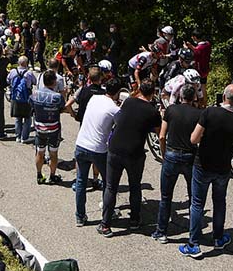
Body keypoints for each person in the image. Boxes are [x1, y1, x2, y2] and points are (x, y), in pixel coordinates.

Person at [182, 84, 233, 257]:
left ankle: (193, 244)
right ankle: (218, 238)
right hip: (223, 166)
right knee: (220, 202)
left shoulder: (209, 113)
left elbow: (194, 139)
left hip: (203, 163)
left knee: (197, 203)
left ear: (224, 96)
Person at [98, 81, 161, 237]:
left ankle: (105, 224)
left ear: (139, 90)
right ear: (153, 93)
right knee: (135, 186)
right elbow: (159, 134)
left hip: (115, 148)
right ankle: (134, 220)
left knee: (111, 187)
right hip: (135, 152)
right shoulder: (153, 112)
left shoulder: (129, 101)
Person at [153, 82, 202, 243]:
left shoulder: (171, 110)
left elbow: (161, 136)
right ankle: (194, 232)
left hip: (171, 154)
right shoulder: (199, 114)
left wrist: (163, 153)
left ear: (180, 96)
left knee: (166, 196)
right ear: (194, 97)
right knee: (193, 197)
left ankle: (161, 232)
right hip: (190, 156)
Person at [72, 78, 122, 226]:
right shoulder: (115, 109)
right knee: (108, 183)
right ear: (118, 93)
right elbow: (119, 127)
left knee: (81, 181)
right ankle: (108, 211)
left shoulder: (94, 98)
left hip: (81, 143)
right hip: (99, 149)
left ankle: (80, 216)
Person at [30, 69, 65, 185]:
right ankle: (52, 176)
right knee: (53, 153)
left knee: (40, 152)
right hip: (54, 128)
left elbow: (31, 105)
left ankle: (39, 175)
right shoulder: (57, 97)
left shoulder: (35, 94)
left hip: (40, 128)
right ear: (54, 82)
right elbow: (62, 108)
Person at [7, 56, 36, 143]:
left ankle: (18, 136)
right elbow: (35, 82)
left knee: (18, 118)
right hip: (26, 97)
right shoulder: (29, 73)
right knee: (27, 118)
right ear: (26, 63)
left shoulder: (13, 72)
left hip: (15, 97)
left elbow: (8, 80)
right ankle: (24, 137)